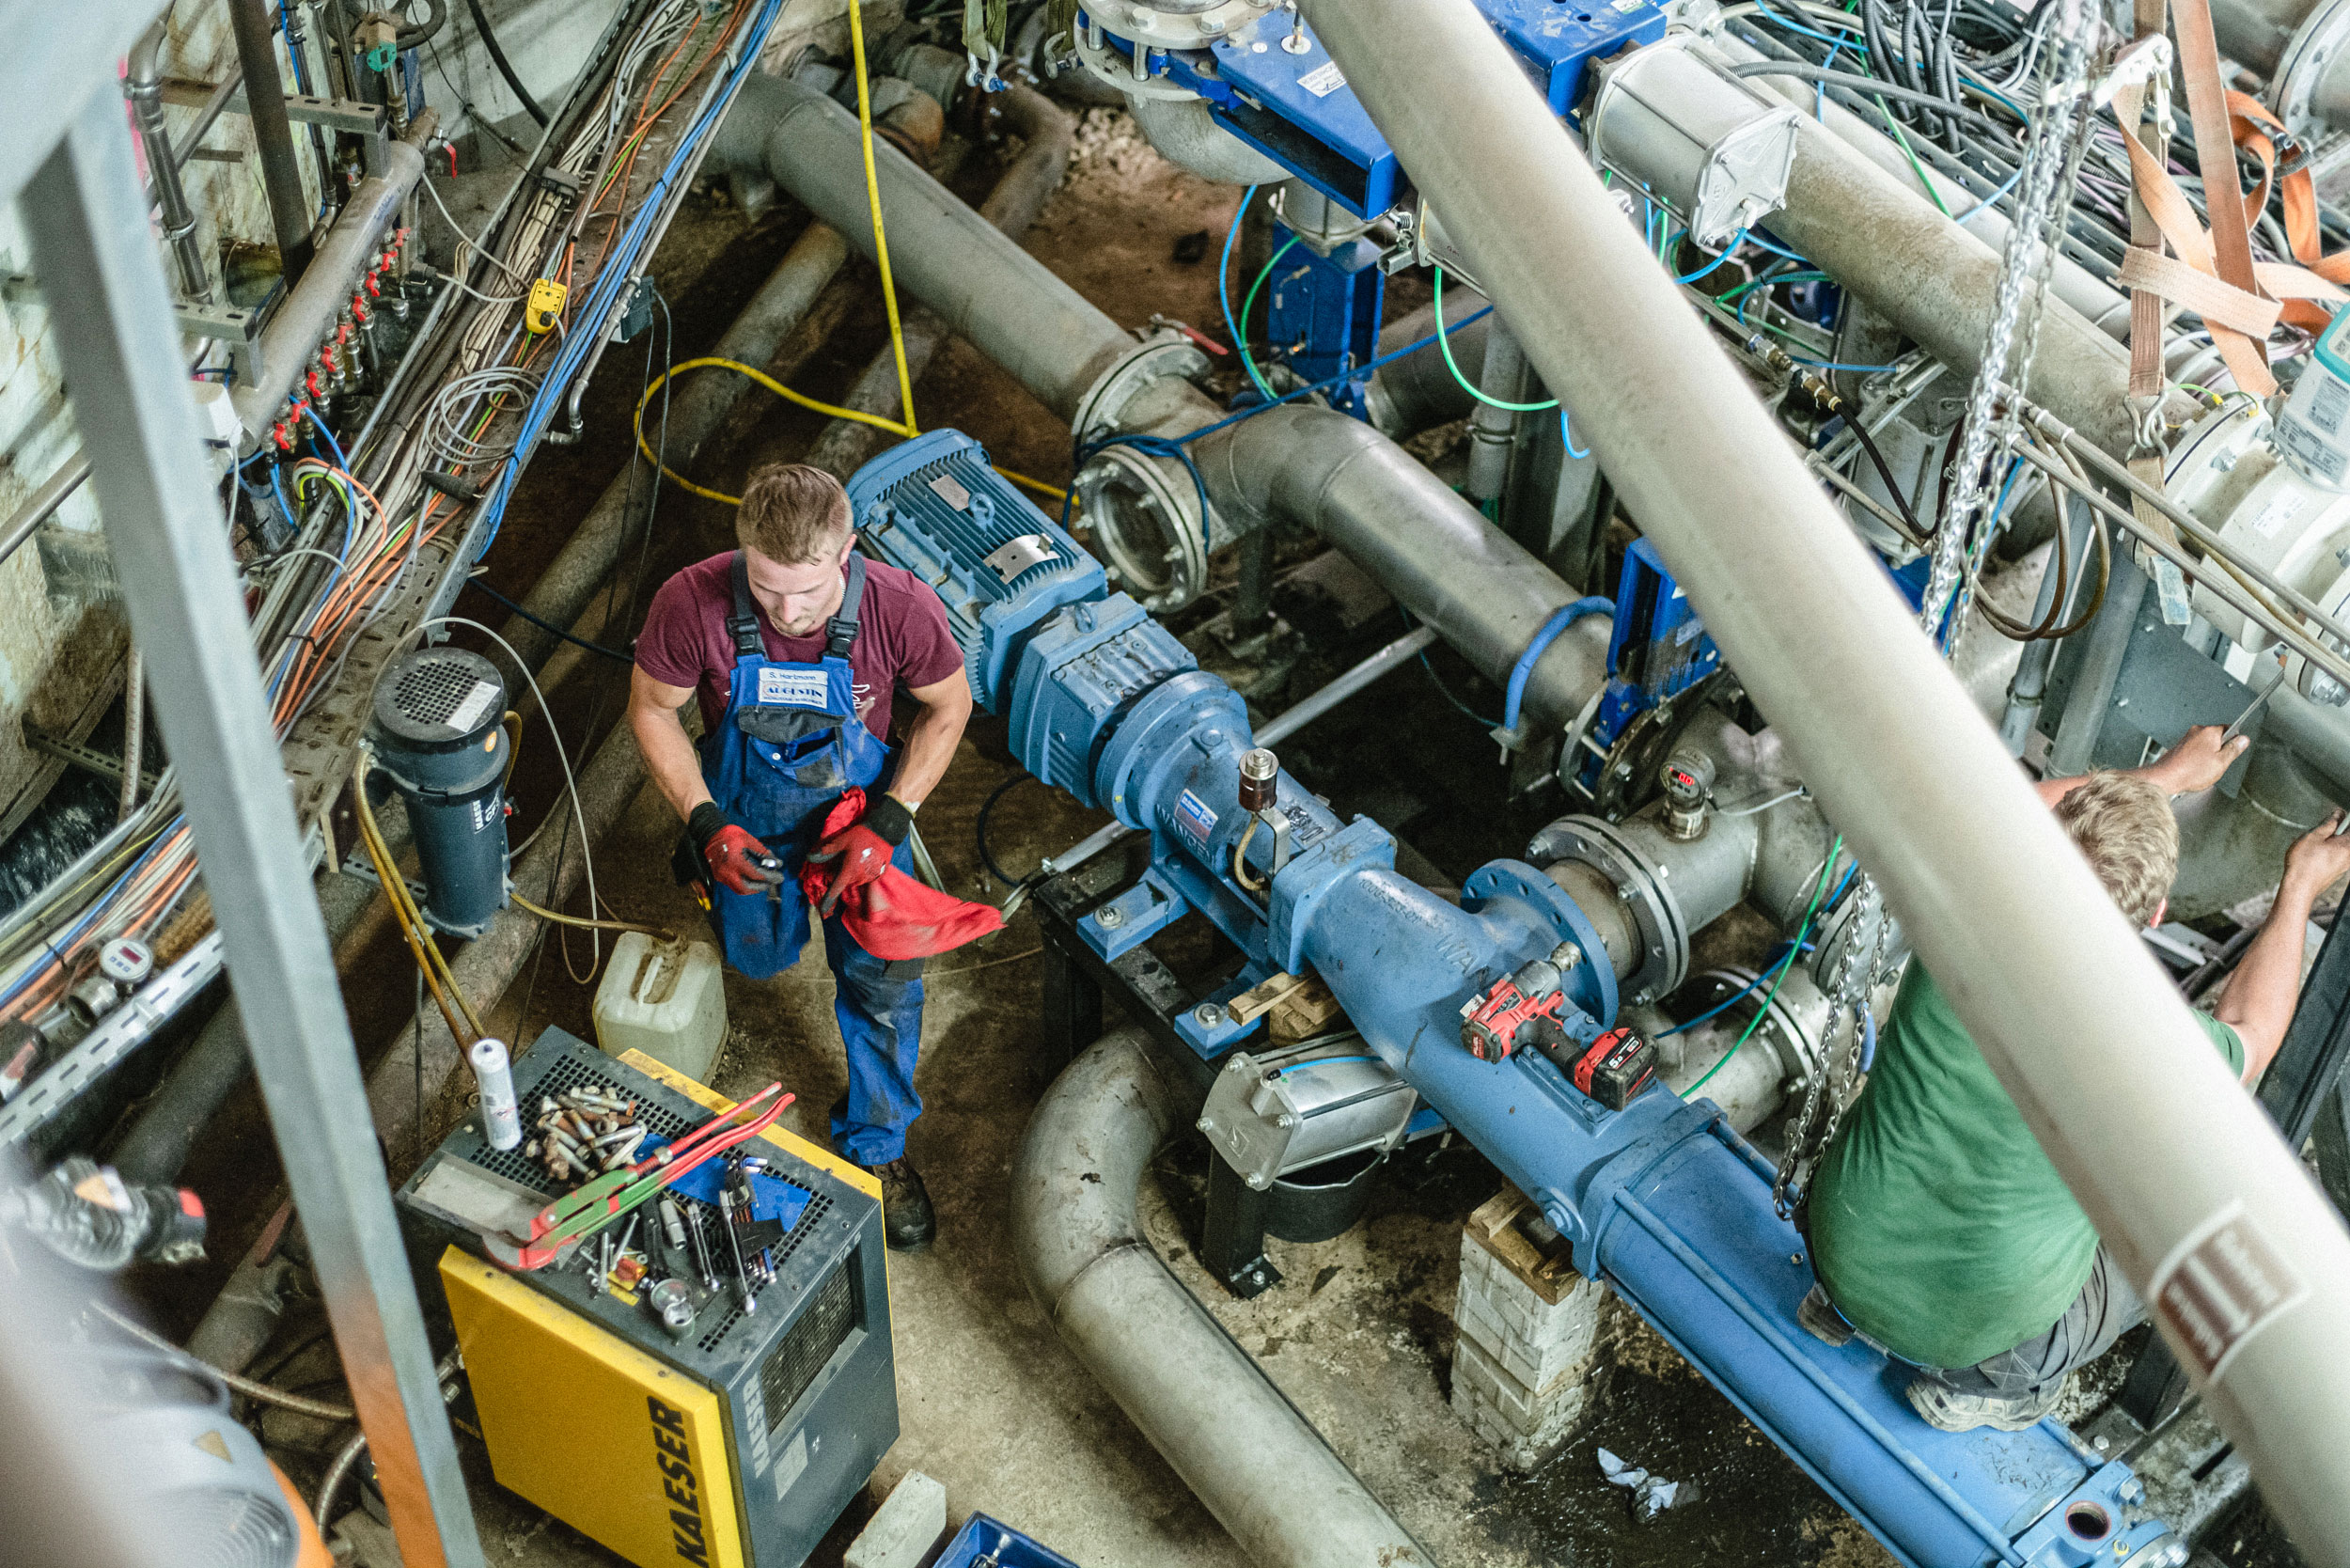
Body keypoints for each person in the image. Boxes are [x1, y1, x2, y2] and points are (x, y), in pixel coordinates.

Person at [1800, 724, 2350, 1431]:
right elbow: (2255, 1032)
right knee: (2181, 1220)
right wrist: (2299, 888)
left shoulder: (1957, 899)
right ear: (2154, 915)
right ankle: (1982, 1388)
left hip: (1839, 1239)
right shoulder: (2154, 1044)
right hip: (1976, 1334)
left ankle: (1839, 1309)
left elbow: (2018, 806)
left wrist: (2164, 778)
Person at [629, 463, 973, 1249]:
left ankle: (879, 1146)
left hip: (861, 829)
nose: (787, 611)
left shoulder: (900, 608)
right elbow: (651, 710)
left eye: (809, 591)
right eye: (767, 586)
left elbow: (949, 706)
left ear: (847, 550)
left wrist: (891, 818)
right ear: (741, 551)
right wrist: (704, 820)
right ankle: (709, 875)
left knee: (883, 983)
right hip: (746, 822)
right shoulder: (692, 602)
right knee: (760, 959)